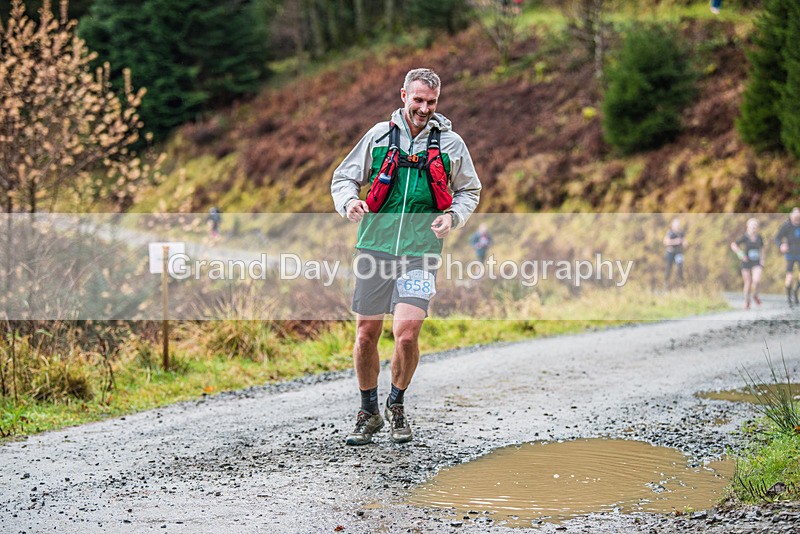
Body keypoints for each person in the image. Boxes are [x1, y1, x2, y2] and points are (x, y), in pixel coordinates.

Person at [331, 68, 481, 445]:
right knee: (366, 334)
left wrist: (453, 216)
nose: (424, 108)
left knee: (407, 335)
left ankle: (396, 405)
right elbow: (343, 178)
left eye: (431, 102)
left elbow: (469, 190)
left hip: (421, 252)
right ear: (403, 96)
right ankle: (368, 412)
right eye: (418, 100)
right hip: (374, 247)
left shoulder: (451, 144)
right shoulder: (378, 136)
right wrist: (349, 202)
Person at [730, 218, 764, 310]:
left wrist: (762, 260)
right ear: (748, 227)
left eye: (755, 226)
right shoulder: (744, 237)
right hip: (746, 262)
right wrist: (741, 254)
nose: (754, 228)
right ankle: (747, 301)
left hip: (756, 262)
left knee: (756, 280)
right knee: (748, 282)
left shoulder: (759, 238)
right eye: (752, 226)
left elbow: (762, 249)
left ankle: (755, 295)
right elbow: (733, 245)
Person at [775, 207, 800, 307]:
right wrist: (781, 245)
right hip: (790, 254)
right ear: (791, 216)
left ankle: (795, 291)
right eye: (795, 215)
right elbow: (777, 238)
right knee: (789, 276)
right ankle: (789, 297)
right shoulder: (786, 226)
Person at [663, 218, 687, 286]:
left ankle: (681, 283)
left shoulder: (681, 232)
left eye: (678, 225)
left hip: (678, 252)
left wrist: (684, 243)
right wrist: (675, 241)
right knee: (668, 268)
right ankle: (666, 283)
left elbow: (684, 241)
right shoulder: (670, 232)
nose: (677, 227)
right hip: (670, 252)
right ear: (673, 226)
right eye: (676, 225)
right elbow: (665, 242)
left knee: (679, 268)